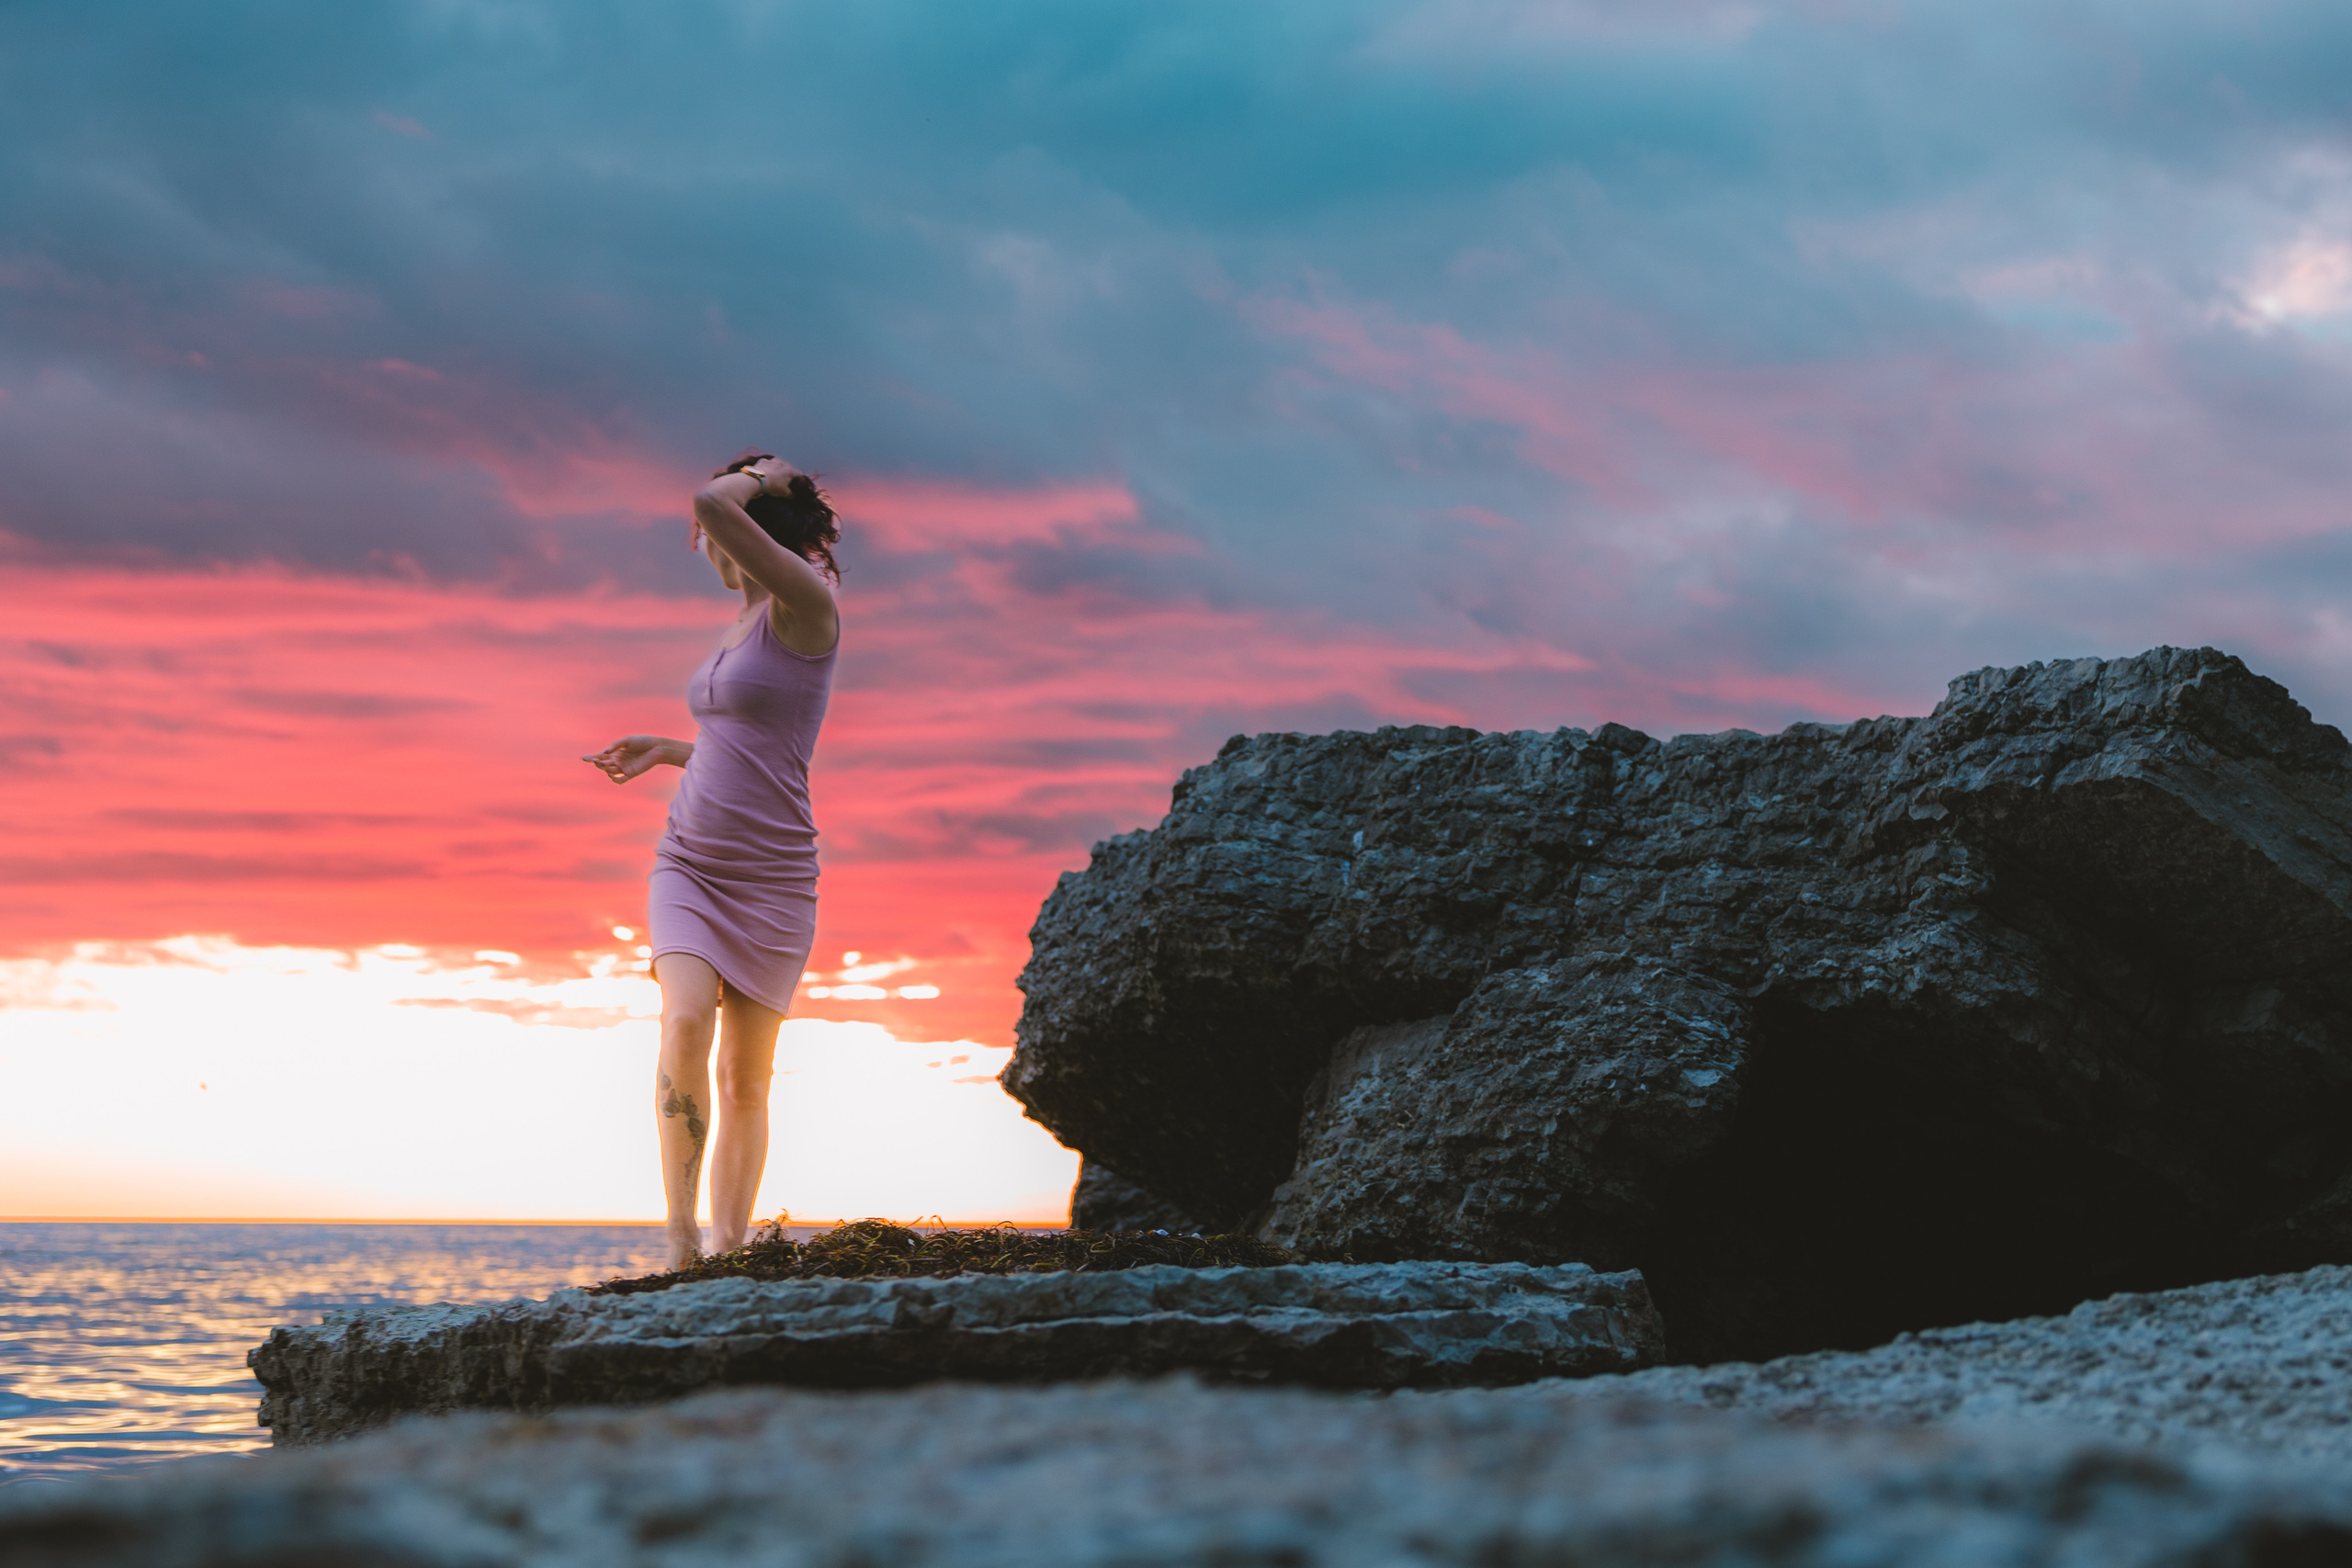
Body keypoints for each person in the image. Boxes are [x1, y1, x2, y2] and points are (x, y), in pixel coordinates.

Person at [582, 453, 841, 1269]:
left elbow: (708, 499)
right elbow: (748, 743)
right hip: (688, 861)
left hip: (774, 877)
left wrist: (759, 474)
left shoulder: (806, 605)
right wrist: (670, 750)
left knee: (745, 1077)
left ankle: (730, 1248)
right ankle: (682, 1242)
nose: (696, 536)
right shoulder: (741, 622)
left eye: (707, 529)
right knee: (685, 1016)